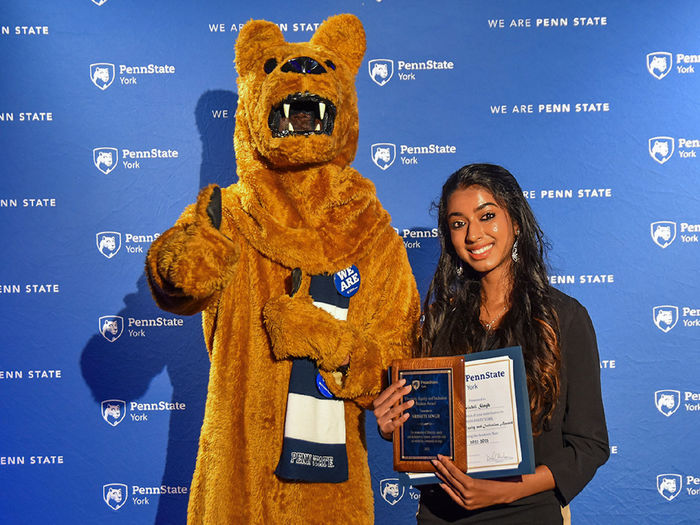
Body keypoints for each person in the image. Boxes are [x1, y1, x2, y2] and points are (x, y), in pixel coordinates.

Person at [373, 164, 609, 524]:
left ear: (515, 222)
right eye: (458, 223)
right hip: (441, 515)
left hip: (528, 511)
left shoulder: (565, 318)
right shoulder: (438, 321)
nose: (473, 234)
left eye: (487, 216)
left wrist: (508, 489)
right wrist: (396, 426)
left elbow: (588, 446)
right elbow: (429, 432)